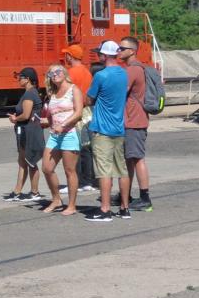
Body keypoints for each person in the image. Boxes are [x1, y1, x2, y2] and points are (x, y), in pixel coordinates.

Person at [84, 41, 132, 222]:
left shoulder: (101, 76)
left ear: (104, 56)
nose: (98, 56)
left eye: (99, 54)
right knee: (122, 169)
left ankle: (105, 210)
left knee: (104, 171)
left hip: (102, 129)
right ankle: (124, 208)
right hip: (118, 129)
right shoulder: (123, 73)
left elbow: (89, 100)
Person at [40, 65, 83, 215]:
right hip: (55, 135)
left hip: (69, 133)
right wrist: (47, 121)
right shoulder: (52, 93)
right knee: (46, 168)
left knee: (69, 170)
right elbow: (51, 115)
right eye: (51, 73)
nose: (55, 74)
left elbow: (78, 112)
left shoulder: (73, 89)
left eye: (58, 71)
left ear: (64, 73)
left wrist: (63, 124)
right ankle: (56, 199)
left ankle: (72, 205)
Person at [118, 36, 152, 212]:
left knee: (137, 158)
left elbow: (119, 91)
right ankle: (126, 194)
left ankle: (145, 198)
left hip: (134, 121)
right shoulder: (135, 68)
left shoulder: (132, 70)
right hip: (133, 120)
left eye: (122, 48)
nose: (119, 51)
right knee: (130, 159)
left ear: (132, 51)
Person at [3, 68, 44, 203]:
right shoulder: (30, 93)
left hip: (29, 131)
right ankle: (17, 191)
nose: (18, 80)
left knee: (29, 161)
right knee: (23, 161)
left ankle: (34, 192)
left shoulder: (29, 94)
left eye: (20, 77)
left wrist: (15, 118)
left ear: (27, 79)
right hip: (26, 130)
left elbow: (26, 115)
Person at [63, 45, 96, 193]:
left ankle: (79, 181)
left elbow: (65, 93)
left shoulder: (70, 73)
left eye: (67, 55)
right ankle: (88, 181)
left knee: (74, 147)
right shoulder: (87, 72)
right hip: (87, 111)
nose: (65, 57)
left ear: (70, 56)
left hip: (75, 112)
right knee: (87, 146)